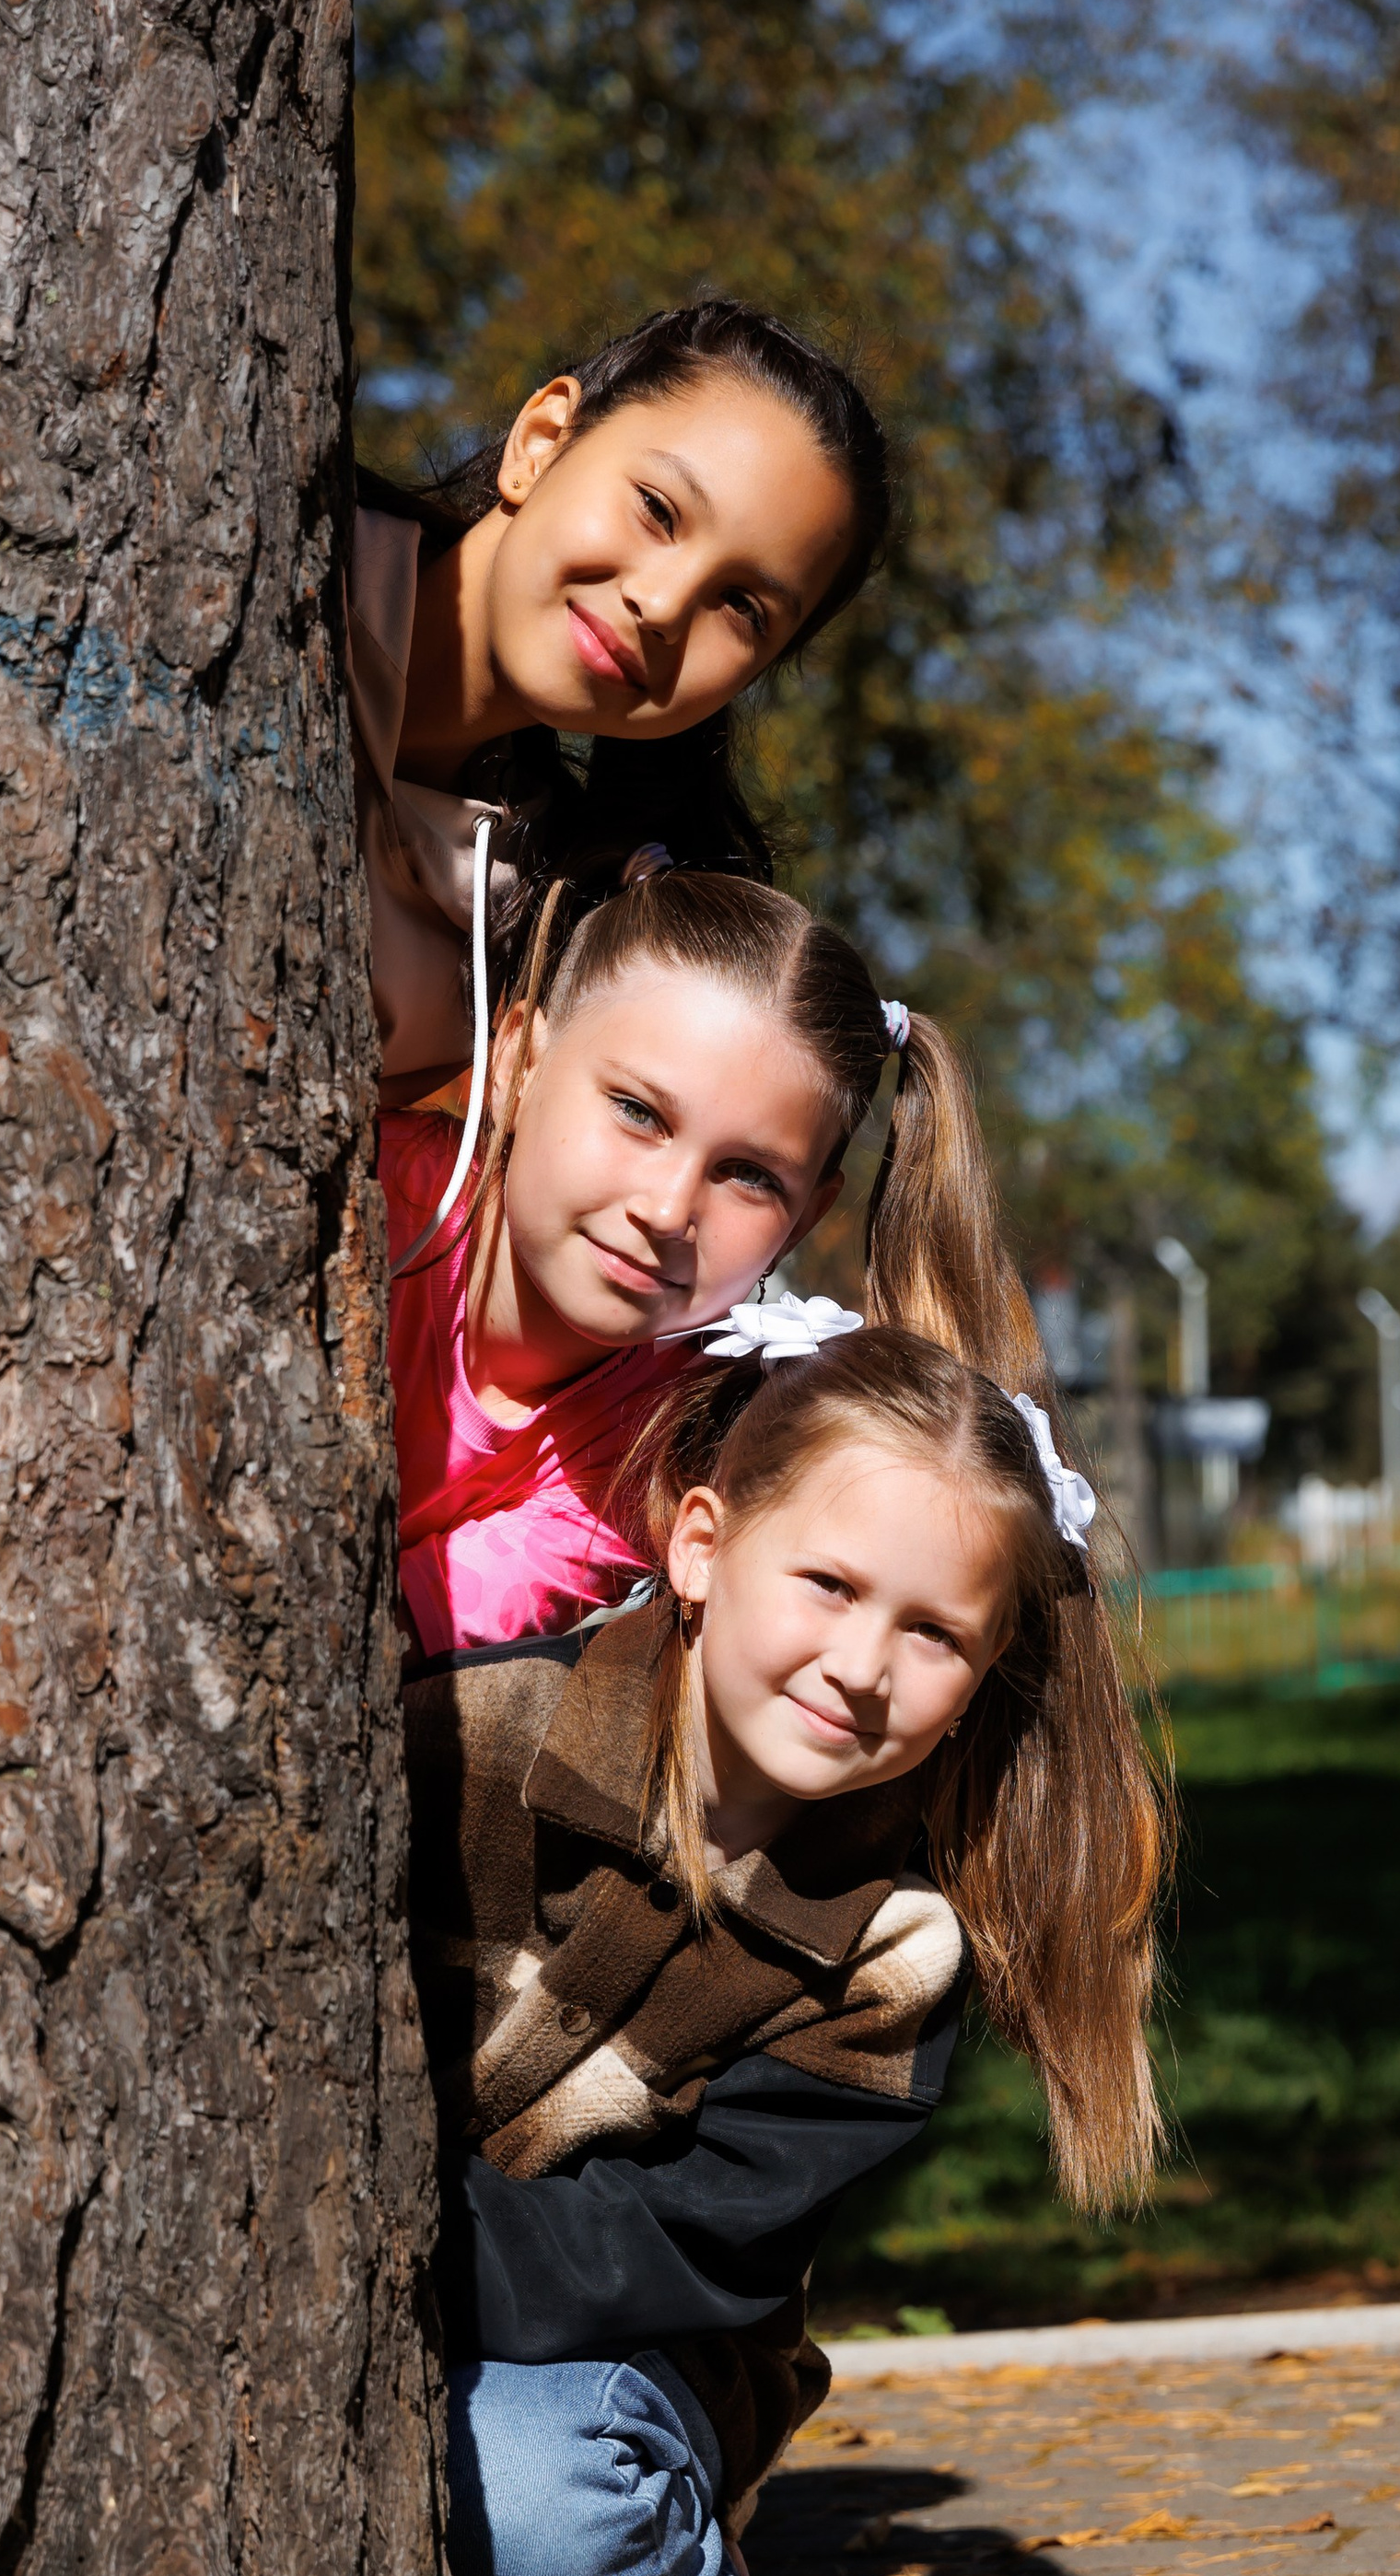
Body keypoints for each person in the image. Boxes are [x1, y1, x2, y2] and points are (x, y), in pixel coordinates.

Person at [403, 1318, 1164, 2576]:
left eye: (933, 1633)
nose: (863, 1665)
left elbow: (659, 2256)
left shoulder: (891, 1957)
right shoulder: (474, 1737)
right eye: (827, 1585)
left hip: (605, 2373)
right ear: (700, 1544)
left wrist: (382, 2257)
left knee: (532, 2494)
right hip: (405, 2310)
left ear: (988, 1661)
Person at [387, 857, 1048, 1657]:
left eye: (749, 1175)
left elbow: (377, 1624)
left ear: (806, 1218)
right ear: (519, 1062)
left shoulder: (665, 1449)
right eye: (637, 1112)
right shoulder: (355, 1197)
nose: (666, 1211)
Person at [350, 298, 892, 1111]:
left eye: (742, 607)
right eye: (658, 509)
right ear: (540, 443)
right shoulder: (266, 567)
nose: (667, 605)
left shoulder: (536, 964)